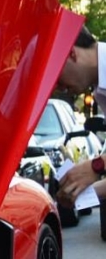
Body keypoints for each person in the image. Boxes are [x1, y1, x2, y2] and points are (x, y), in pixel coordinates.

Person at [54, 27, 106, 203]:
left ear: (71, 53)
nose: (59, 88)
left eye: (56, 77)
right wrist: (81, 192)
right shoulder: (100, 90)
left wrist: (97, 166)